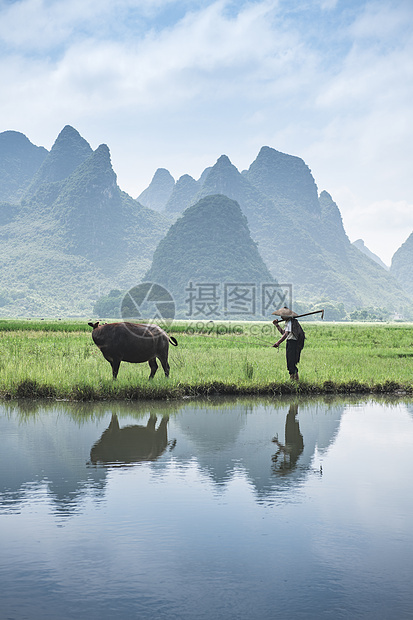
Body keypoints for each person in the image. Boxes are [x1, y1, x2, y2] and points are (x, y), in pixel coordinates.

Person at [272, 307, 305, 381]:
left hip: (292, 343)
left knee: (291, 363)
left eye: (282, 316)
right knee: (290, 362)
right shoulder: (288, 322)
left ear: (287, 316)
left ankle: (294, 381)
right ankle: (294, 380)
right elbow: (283, 333)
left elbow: (286, 334)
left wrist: (278, 343)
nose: (281, 317)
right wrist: (277, 325)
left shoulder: (290, 322)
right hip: (290, 342)